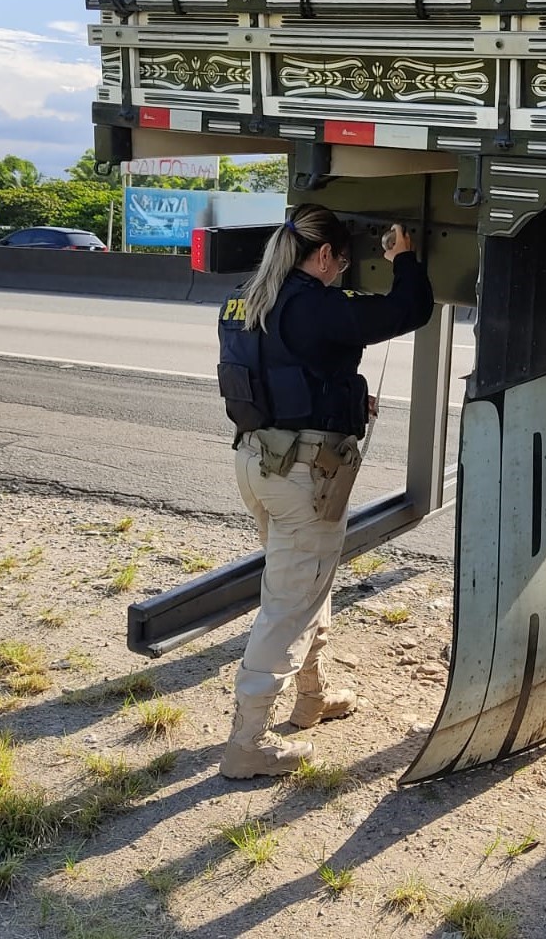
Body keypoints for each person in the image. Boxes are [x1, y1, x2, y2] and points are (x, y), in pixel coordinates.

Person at [216, 202, 434, 778]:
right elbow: (411, 308)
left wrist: (334, 402)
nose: (342, 271)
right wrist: (403, 257)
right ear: (322, 256)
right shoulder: (312, 305)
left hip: (258, 462)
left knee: (307, 584)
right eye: (340, 261)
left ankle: (312, 695)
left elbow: (283, 374)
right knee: (289, 604)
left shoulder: (246, 298)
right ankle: (247, 744)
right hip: (301, 478)